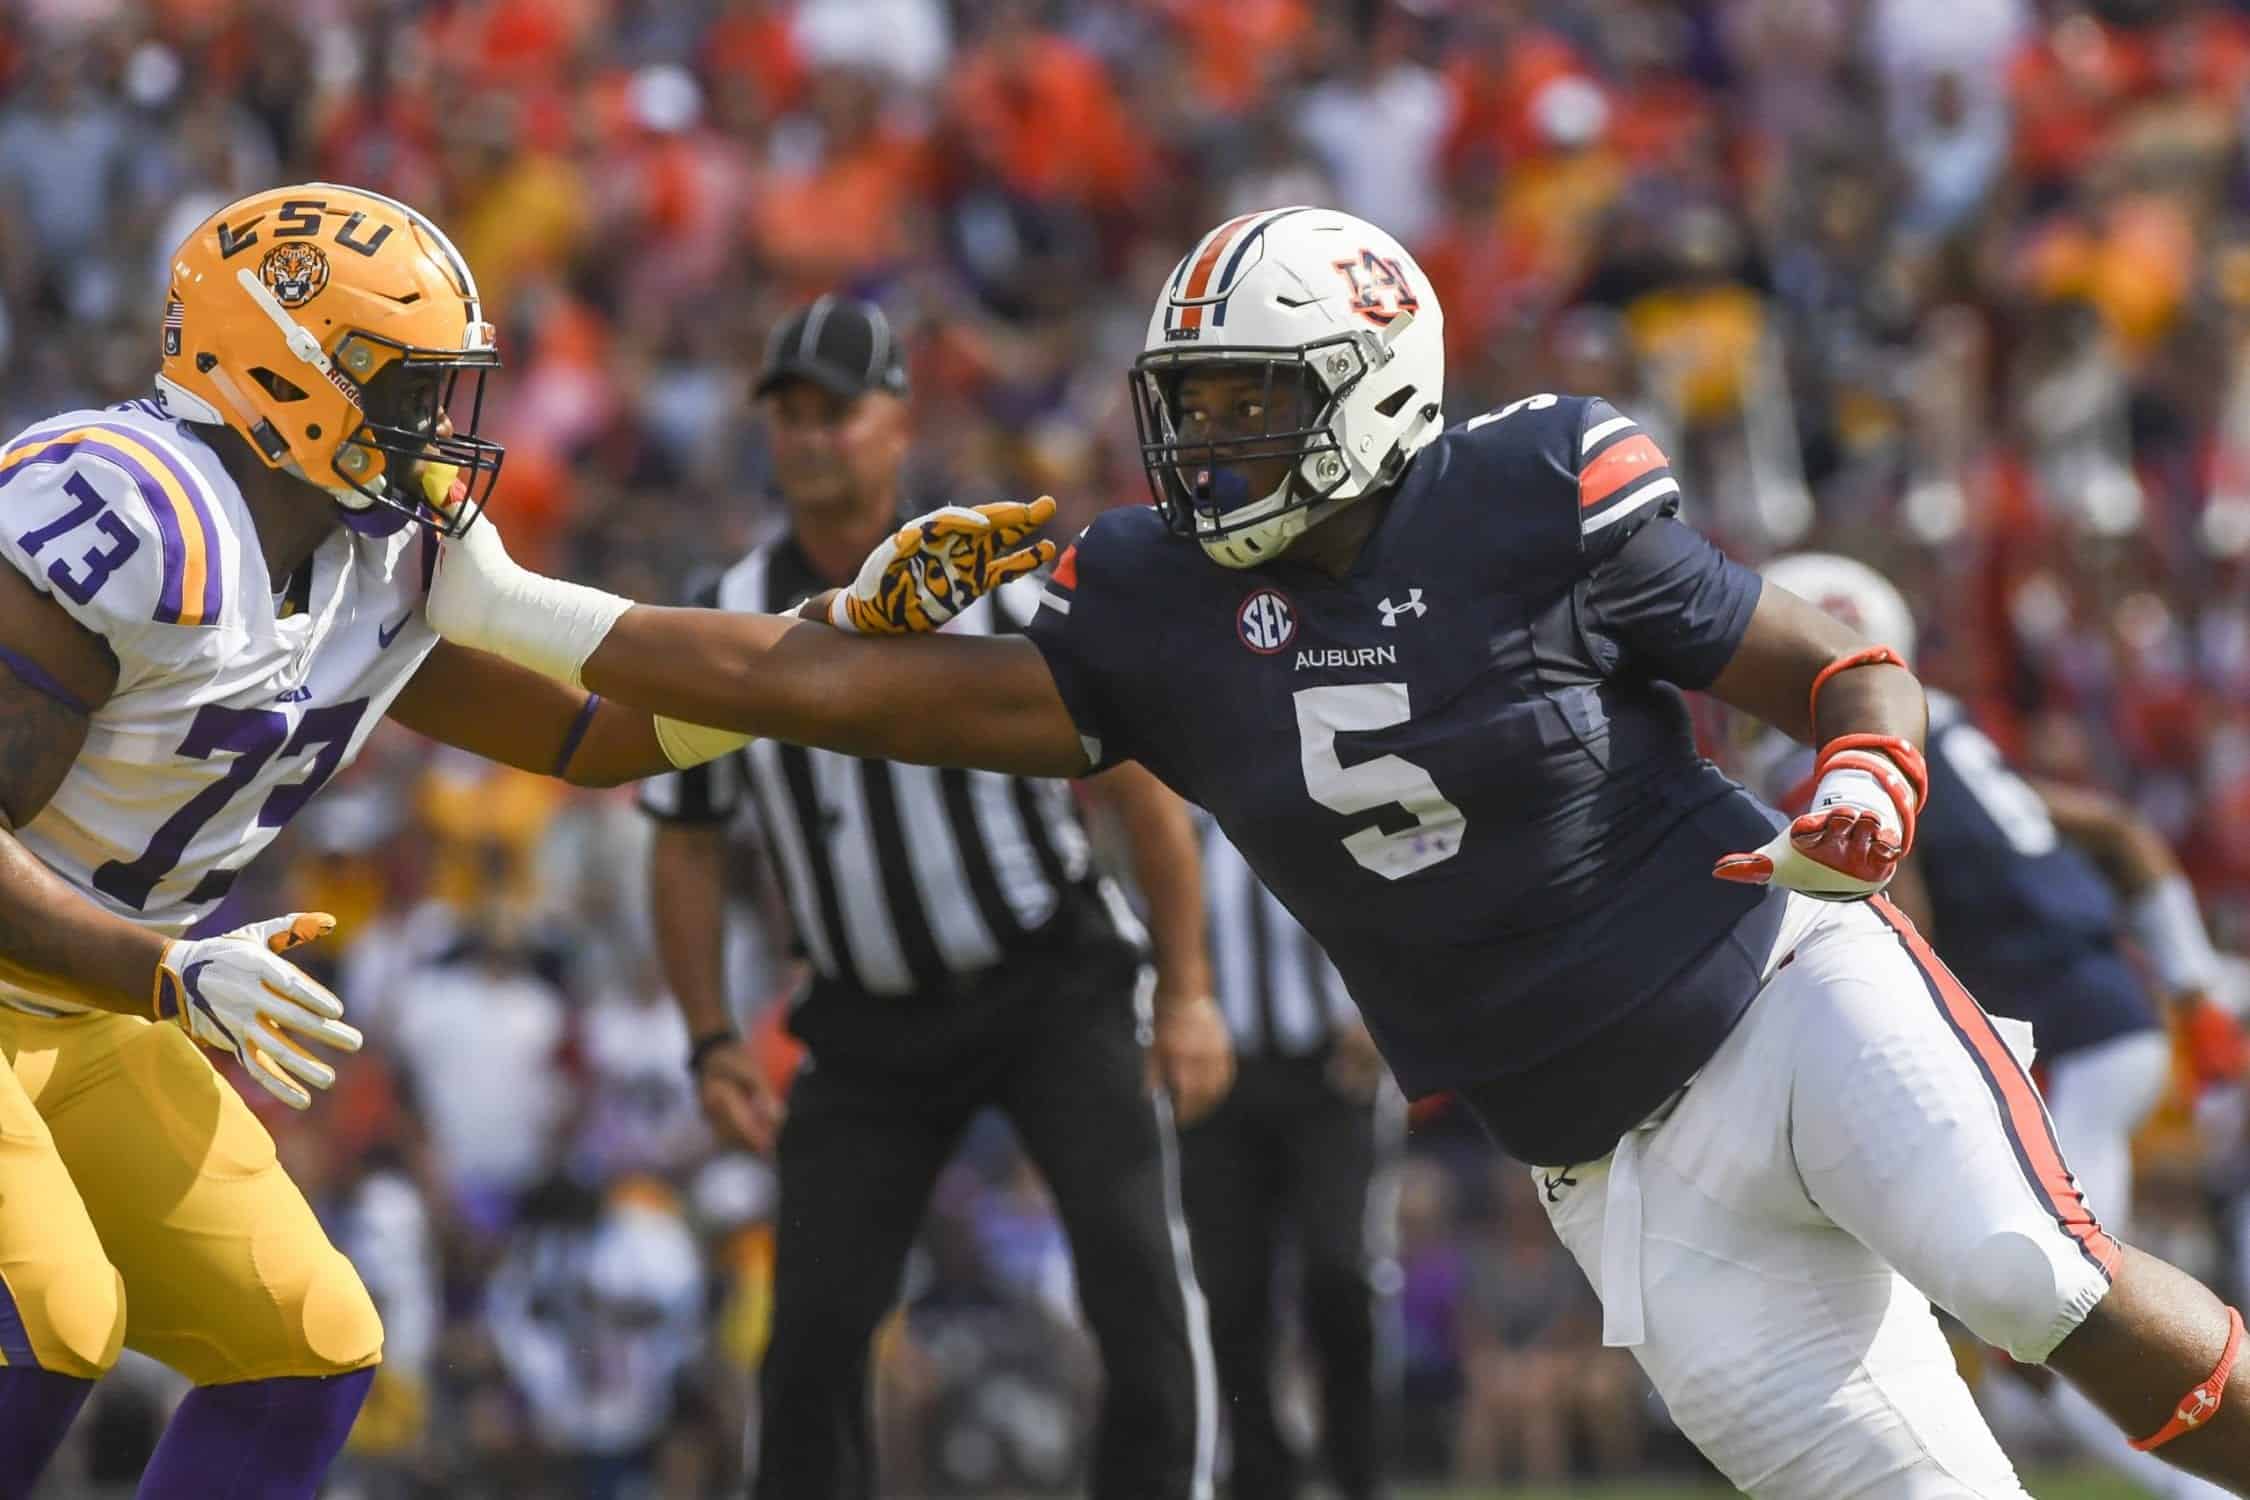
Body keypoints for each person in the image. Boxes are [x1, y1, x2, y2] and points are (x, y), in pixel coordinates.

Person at [426, 203, 2250, 1497]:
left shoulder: (1526, 492)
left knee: (2037, 1279)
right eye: (1189, 406)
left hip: (1783, 999)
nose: (1204, 447)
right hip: (1611, 1174)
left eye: (1247, 404)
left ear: (1374, 387)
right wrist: (512, 607)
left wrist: (1871, 775)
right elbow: (800, 688)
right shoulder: (1146, 610)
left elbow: (1836, 659)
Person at [0, 181, 743, 1499]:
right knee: (48, 1318)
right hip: (79, 977)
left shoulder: (371, 561)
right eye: (399, 386)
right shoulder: (128, 509)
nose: (432, 431)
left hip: (87, 1003)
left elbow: (605, 739)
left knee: (308, 1347)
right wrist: (165, 973)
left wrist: (831, 641)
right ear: (278, 367)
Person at [638, 295, 1227, 1500]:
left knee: (1137, 1289)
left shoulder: (992, 576)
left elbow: (1140, 789)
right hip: (863, 1017)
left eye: (834, 413)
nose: (808, 439)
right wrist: (708, 1035)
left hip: (1048, 978)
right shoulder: (730, 608)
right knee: (808, 1338)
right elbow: (685, 839)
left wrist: (1192, 992)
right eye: (789, 415)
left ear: (896, 421)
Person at [1747, 553, 2239, 1500]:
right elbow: (2116, 828)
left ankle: (2205, 1490)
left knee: (2051, 1307)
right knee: (2052, 1305)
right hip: (2106, 1025)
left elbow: (1902, 906)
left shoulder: (1855, 755)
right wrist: (2190, 983)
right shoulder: (1948, 729)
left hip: (2075, 1043)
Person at [1179, 817, 1398, 1500]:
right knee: (1230, 1292)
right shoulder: (1181, 809)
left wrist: (1383, 1012)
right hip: (1221, 1081)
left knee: (1339, 1272)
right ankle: (1259, 1477)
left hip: (1329, 1077)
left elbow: (1396, 900)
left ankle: (1357, 1472)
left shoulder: (1317, 789)